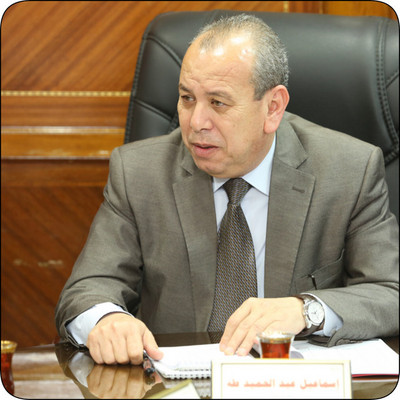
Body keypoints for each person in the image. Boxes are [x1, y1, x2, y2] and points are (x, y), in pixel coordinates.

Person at [55, 14, 399, 365]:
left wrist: (307, 310)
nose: (196, 122)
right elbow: (87, 289)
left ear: (273, 108)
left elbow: (391, 292)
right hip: (176, 383)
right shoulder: (140, 173)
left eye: (218, 103)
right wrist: (106, 319)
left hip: (288, 380)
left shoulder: (349, 171)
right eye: (187, 98)